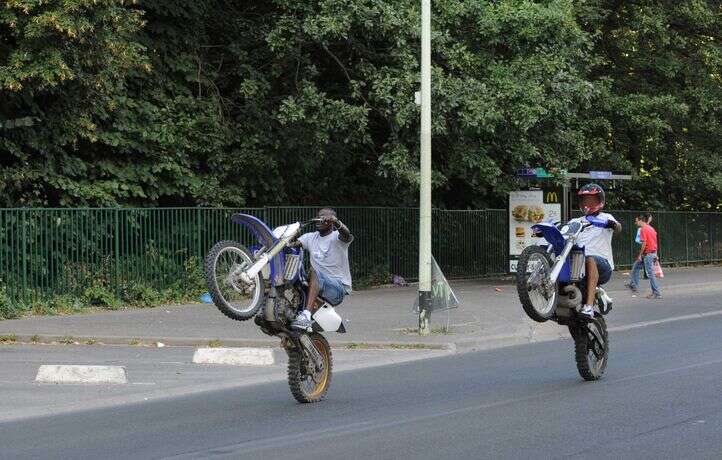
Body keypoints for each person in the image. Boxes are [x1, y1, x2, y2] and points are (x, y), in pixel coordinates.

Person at [291, 208, 353, 330]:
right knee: (298, 276)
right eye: (319, 216)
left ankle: (306, 315)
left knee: (314, 272)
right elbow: (292, 244)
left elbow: (346, 234)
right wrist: (292, 233)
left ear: (331, 221)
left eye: (324, 217)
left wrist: (336, 222)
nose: (320, 219)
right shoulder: (310, 237)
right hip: (318, 284)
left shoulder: (338, 238)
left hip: (337, 288)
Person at [574, 183, 622, 319]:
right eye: (585, 200)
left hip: (603, 266)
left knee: (590, 258)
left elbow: (618, 228)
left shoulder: (606, 217)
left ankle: (588, 306)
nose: (588, 203)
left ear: (600, 201)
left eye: (592, 200)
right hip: (579, 267)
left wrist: (613, 225)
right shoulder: (576, 221)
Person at [626, 212, 662, 299]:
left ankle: (656, 293)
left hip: (648, 254)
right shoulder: (652, 229)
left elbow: (644, 243)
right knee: (636, 266)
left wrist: (640, 255)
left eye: (636, 221)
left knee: (650, 274)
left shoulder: (643, 229)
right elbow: (655, 242)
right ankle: (633, 284)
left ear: (641, 220)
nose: (636, 223)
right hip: (652, 253)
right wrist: (655, 254)